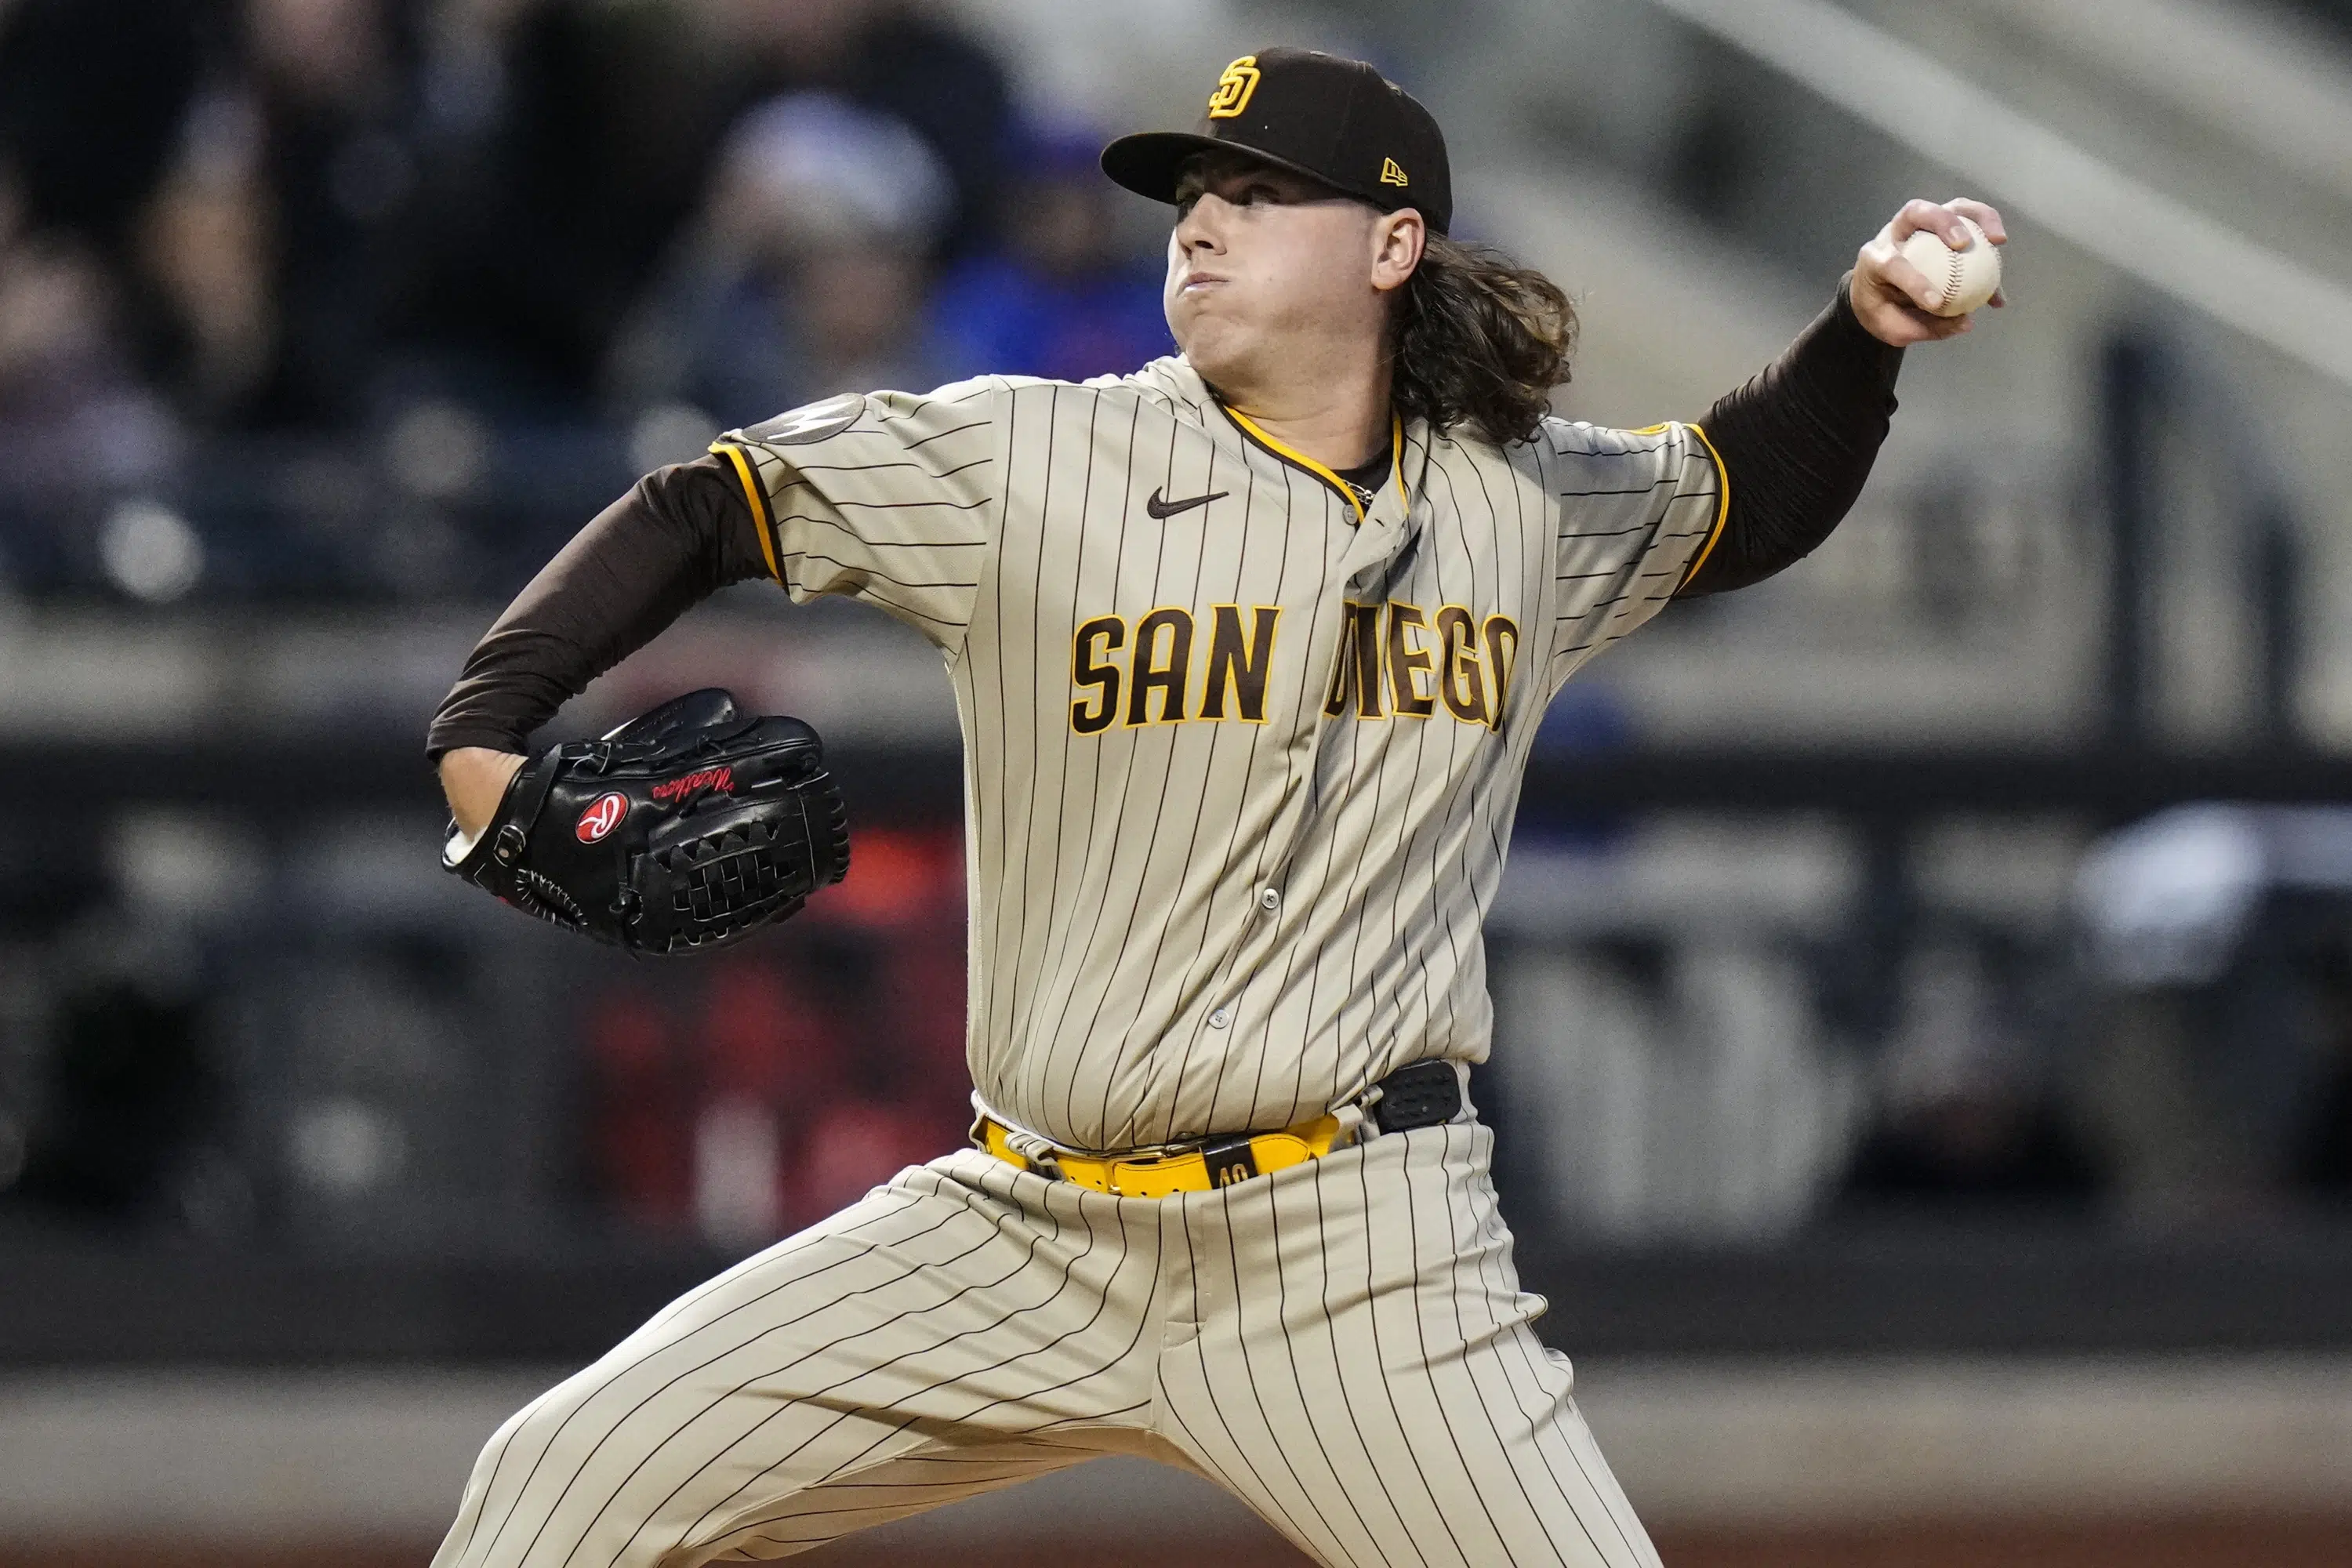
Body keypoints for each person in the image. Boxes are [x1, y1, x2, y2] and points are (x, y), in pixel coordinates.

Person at [425, 45, 2005, 1568]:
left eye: (1262, 192)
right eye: (1194, 190)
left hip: (1355, 1257)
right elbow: (716, 500)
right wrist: (485, 723)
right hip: (1019, 1231)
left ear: (1394, 243)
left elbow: (1738, 492)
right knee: (556, 1486)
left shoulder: (1520, 498)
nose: (1201, 219)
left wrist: (1861, 336)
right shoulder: (1035, 457)